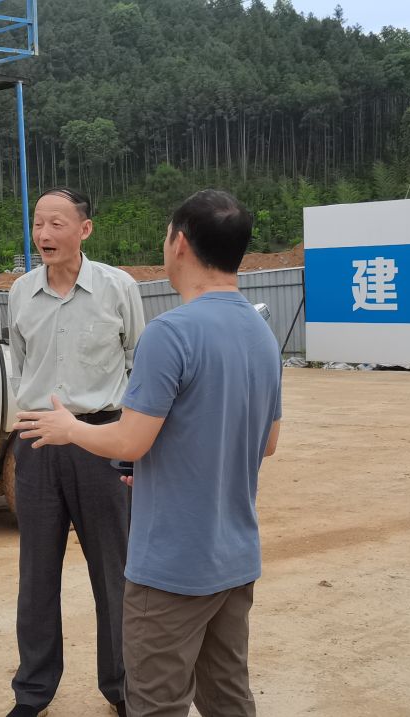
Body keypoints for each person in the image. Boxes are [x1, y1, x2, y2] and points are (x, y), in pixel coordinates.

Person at [18, 189, 281, 717]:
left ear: (179, 243)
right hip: (234, 556)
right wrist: (160, 466)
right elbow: (266, 441)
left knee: (155, 701)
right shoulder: (260, 329)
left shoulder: (169, 331)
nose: (44, 233)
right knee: (228, 695)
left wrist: (71, 428)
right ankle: (34, 687)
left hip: (171, 563)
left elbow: (130, 441)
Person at [5, 188, 145, 717]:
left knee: (115, 571)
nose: (44, 234)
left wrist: (131, 443)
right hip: (39, 442)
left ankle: (123, 689)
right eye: (38, 223)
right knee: (36, 574)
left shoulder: (118, 287)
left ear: (84, 230)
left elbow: (139, 363)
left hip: (100, 439)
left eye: (57, 223)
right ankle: (32, 691)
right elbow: (20, 366)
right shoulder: (21, 292)